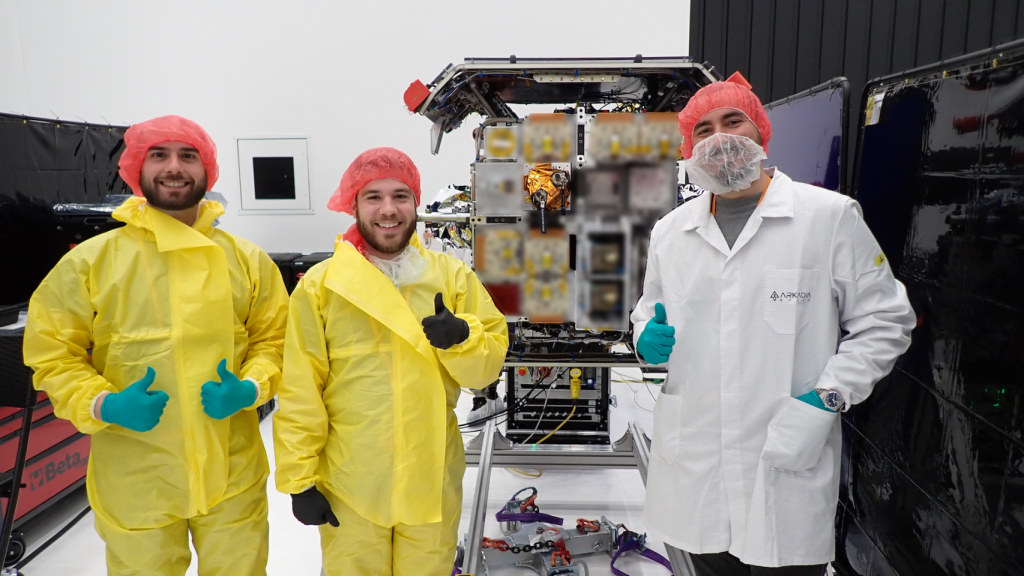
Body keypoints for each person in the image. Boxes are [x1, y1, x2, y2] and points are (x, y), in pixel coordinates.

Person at [631, 73, 916, 575]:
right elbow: (648, 312)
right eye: (703, 129)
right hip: (697, 463)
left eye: (732, 121)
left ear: (761, 130)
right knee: (708, 561)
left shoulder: (826, 217)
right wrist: (645, 341)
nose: (719, 138)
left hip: (784, 454)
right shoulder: (671, 231)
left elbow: (886, 321)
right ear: (688, 147)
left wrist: (829, 395)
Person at [23, 115, 288, 575]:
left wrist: (251, 387)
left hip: (231, 472)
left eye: (189, 156)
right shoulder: (91, 262)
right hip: (136, 477)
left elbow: (277, 341)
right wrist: (103, 404)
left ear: (208, 170)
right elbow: (53, 354)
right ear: (135, 169)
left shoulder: (247, 262)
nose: (174, 167)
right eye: (159, 155)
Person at [273, 147, 509, 576]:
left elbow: (486, 371)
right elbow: (301, 389)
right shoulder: (323, 288)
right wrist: (298, 480)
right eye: (373, 197)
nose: (388, 210)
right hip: (352, 479)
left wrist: (462, 338)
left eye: (400, 196)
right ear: (354, 204)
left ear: (416, 202)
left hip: (430, 476)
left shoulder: (451, 277)